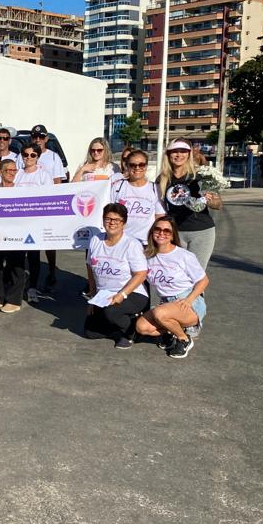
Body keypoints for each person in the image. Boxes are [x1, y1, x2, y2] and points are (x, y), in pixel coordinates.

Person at [135, 217, 210, 359]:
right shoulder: (148, 256)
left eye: (167, 231)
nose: (161, 233)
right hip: (166, 303)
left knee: (159, 313)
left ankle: (184, 339)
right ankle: (171, 334)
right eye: (157, 229)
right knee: (142, 327)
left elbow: (203, 281)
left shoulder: (183, 256)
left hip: (188, 302)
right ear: (152, 232)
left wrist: (188, 300)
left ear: (173, 235)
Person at [82, 202, 150, 348]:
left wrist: (121, 295)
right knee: (89, 331)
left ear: (123, 223)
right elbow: (90, 269)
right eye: (108, 219)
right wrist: (93, 296)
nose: (112, 223)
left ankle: (132, 330)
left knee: (111, 312)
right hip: (104, 295)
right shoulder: (95, 240)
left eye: (117, 220)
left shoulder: (131, 244)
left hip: (131, 293)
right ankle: (119, 333)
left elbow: (141, 274)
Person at [158, 139, 221, 270]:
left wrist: (210, 199)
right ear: (168, 154)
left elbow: (218, 204)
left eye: (183, 151)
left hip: (201, 231)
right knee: (177, 274)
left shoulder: (200, 176)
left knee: (195, 273)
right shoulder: (162, 179)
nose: (179, 155)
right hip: (174, 232)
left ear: (189, 154)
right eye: (174, 151)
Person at [0, 160, 28, 314]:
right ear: (1, 172)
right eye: (8, 170)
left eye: (14, 170)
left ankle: (14, 300)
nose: (11, 173)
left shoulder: (22, 190)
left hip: (17, 233)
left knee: (16, 265)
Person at [15, 145, 54, 305]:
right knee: (18, 256)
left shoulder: (44, 175)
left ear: (37, 157)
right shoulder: (17, 174)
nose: (29, 157)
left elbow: (49, 197)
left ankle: (32, 288)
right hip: (18, 222)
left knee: (33, 256)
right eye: (26, 154)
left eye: (32, 155)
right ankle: (18, 286)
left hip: (35, 222)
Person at [29, 124, 65, 291]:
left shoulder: (53, 157)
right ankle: (31, 277)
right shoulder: (25, 155)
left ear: (46, 138)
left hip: (47, 205)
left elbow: (58, 182)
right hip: (29, 207)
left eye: (41, 137)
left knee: (49, 242)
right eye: (35, 137)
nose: (38, 140)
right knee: (30, 243)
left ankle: (51, 272)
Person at [111, 148, 165, 243]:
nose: (137, 168)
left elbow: (159, 217)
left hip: (145, 242)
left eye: (141, 164)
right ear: (127, 166)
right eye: (132, 165)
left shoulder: (155, 188)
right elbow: (109, 213)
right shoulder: (117, 186)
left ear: (146, 166)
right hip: (121, 241)